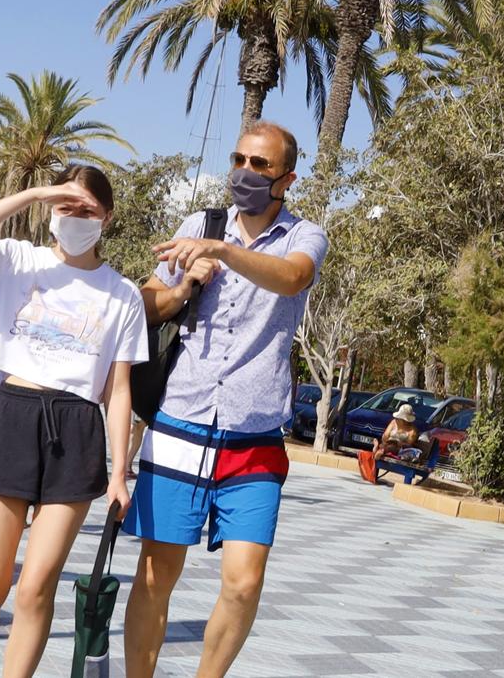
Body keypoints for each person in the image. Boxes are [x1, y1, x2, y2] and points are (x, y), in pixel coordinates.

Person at [121, 121, 327, 678]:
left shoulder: (303, 236)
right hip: (181, 421)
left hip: (254, 432)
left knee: (244, 582)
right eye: (239, 159)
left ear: (286, 176)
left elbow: (292, 278)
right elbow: (145, 302)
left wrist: (224, 253)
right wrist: (185, 284)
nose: (245, 172)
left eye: (260, 165)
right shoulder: (198, 225)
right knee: (155, 574)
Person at [0, 165, 148, 678]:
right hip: (13, 416)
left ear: (108, 217)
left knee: (36, 586)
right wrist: (36, 192)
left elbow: (118, 390)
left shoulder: (122, 294)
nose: (76, 218)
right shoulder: (16, 259)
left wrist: (120, 472)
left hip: (77, 428)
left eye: (88, 210)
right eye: (67, 207)